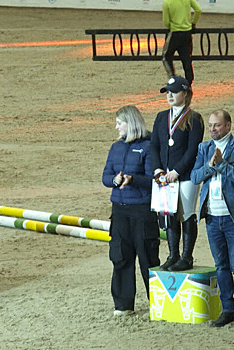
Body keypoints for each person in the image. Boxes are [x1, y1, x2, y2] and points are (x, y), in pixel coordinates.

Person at [191, 109, 234, 328]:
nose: (212, 129)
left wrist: (221, 165)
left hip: (233, 216)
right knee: (221, 265)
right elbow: (194, 176)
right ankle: (227, 309)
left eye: (217, 125)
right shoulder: (204, 148)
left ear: (228, 126)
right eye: (210, 125)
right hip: (212, 215)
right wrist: (210, 166)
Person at [102, 105, 161, 316]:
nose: (117, 127)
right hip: (119, 211)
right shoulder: (115, 148)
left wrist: (132, 180)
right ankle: (123, 305)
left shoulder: (148, 147)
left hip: (142, 212)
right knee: (120, 257)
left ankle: (158, 304)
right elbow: (105, 176)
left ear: (131, 123)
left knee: (148, 258)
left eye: (120, 123)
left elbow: (153, 180)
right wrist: (114, 180)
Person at [151, 76, 204, 271]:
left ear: (185, 94)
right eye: (168, 92)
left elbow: (193, 150)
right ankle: (173, 254)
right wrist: (158, 169)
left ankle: (187, 256)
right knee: (169, 213)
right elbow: (154, 146)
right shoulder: (160, 117)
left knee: (186, 213)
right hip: (164, 178)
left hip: (186, 175)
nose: (170, 96)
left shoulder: (194, 118)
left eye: (174, 92)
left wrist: (176, 171)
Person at [161, 0, 201, 85]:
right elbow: (198, 10)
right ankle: (189, 81)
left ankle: (172, 78)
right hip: (187, 33)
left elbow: (166, 22)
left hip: (175, 33)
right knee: (186, 58)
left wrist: (171, 26)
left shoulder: (167, 2)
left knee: (166, 56)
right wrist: (193, 23)